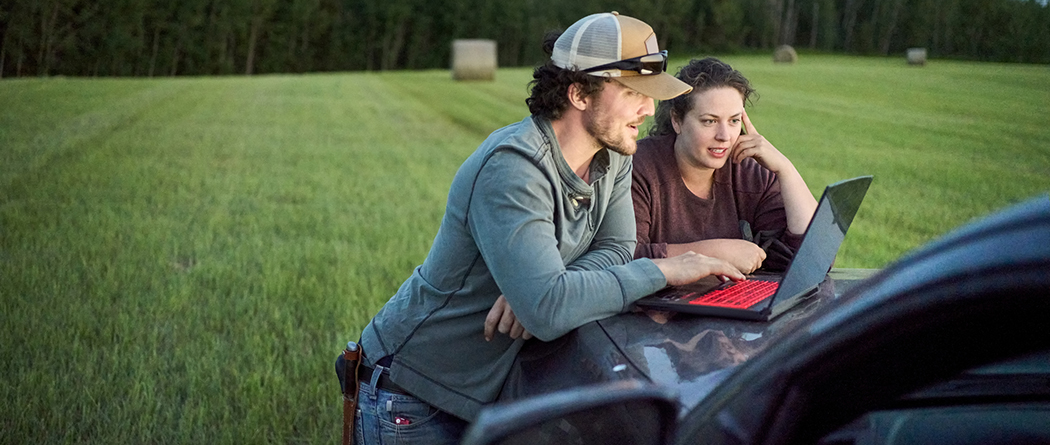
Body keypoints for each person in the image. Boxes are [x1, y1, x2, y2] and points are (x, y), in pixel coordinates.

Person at [341, 13, 745, 445]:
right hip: (414, 394)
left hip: (487, 392)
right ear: (579, 94)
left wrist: (553, 289)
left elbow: (617, 247)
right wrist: (664, 271)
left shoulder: (614, 155)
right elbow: (549, 311)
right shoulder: (514, 168)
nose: (649, 110)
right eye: (632, 93)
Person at [632, 57, 818, 273]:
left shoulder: (749, 172)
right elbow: (624, 258)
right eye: (709, 121)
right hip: (658, 305)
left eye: (734, 121)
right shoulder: (640, 167)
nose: (724, 136)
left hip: (733, 304)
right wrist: (715, 253)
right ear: (677, 120)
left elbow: (811, 261)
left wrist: (786, 170)